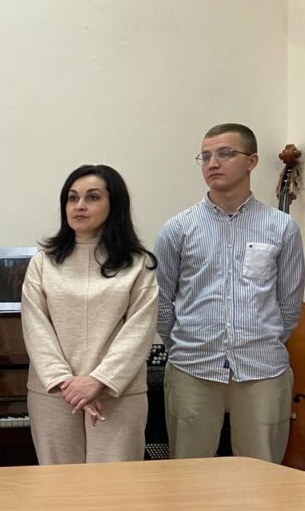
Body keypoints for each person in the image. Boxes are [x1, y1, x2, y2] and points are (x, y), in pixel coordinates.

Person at [156, 123, 305, 462]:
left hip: (262, 370)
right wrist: (182, 344)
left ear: (252, 161)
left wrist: (260, 339)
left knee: (262, 474)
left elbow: (289, 304)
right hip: (192, 368)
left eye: (225, 154)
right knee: (189, 473)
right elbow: (163, 302)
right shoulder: (178, 228)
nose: (213, 163)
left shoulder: (281, 227)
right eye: (205, 156)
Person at [21, 164, 158, 464]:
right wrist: (65, 383)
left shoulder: (138, 265)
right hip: (54, 393)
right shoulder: (42, 263)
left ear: (114, 204)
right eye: (72, 198)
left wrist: (99, 380)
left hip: (117, 393)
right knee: (59, 484)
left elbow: (139, 331)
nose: (79, 206)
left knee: (117, 485)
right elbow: (36, 328)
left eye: (92, 197)